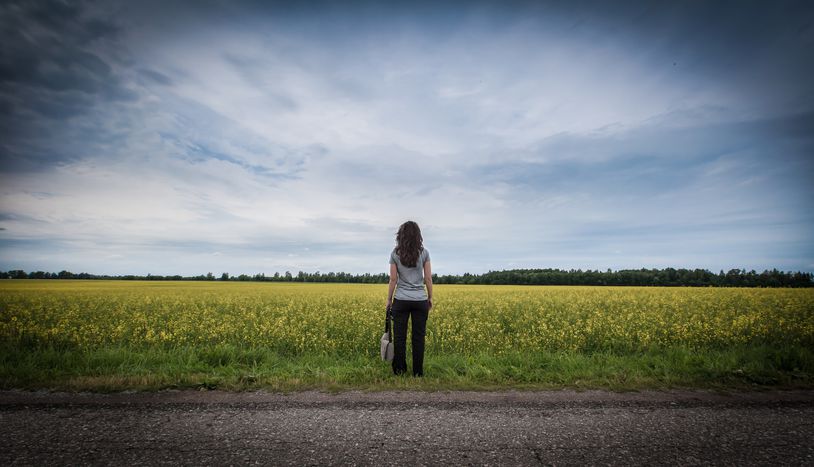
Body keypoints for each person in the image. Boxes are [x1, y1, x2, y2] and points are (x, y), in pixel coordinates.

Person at [386, 220, 433, 376]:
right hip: (420, 300)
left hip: (401, 300)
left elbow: (393, 280)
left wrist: (389, 299)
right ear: (418, 236)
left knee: (399, 337)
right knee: (418, 338)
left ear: (401, 235)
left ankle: (399, 371)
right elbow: (428, 278)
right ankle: (418, 373)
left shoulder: (395, 253)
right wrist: (430, 297)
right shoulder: (424, 252)